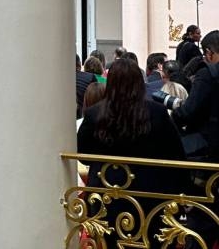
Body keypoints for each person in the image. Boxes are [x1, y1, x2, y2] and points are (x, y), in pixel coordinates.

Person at [77, 58, 188, 249]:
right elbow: (175, 154)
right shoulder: (157, 112)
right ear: (139, 83)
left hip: (106, 193)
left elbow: (83, 153)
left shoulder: (95, 113)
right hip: (150, 194)